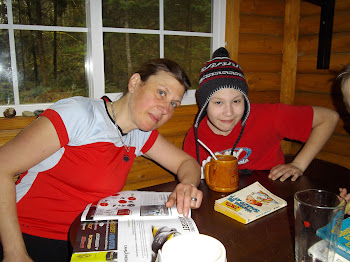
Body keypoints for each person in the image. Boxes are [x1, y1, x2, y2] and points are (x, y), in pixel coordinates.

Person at [0, 58, 202, 262]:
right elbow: (2, 167)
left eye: (173, 104)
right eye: (161, 93)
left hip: (87, 238)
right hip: (30, 235)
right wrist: (14, 253)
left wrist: (187, 184)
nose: (166, 109)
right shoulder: (78, 114)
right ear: (134, 83)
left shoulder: (139, 133)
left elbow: (187, 163)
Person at [183, 47, 339, 182]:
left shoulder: (270, 116)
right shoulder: (195, 136)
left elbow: (329, 118)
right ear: (203, 105)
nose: (229, 112)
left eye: (236, 101)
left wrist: (298, 164)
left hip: (272, 191)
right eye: (218, 102)